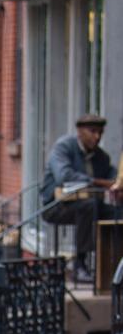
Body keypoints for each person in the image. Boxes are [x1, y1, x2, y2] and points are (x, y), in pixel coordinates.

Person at [41, 115, 116, 282]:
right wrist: (98, 182)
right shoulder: (64, 147)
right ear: (80, 132)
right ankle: (79, 264)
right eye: (93, 131)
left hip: (90, 205)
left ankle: (113, 264)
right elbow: (64, 176)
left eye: (100, 133)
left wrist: (117, 182)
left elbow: (112, 175)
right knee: (88, 206)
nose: (97, 137)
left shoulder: (101, 157)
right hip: (55, 206)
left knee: (117, 213)